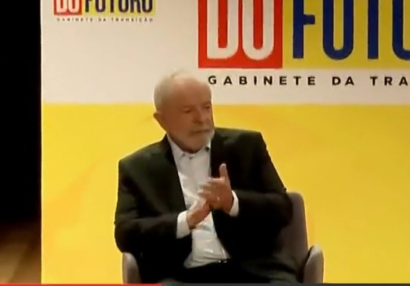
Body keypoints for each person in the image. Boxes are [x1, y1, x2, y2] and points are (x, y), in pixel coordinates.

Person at [113, 71, 297, 283]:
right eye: (188, 111)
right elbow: (126, 234)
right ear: (162, 120)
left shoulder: (247, 146)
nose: (202, 118)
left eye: (206, 107)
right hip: (180, 277)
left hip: (255, 271)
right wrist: (186, 220)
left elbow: (283, 209)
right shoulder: (138, 168)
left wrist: (233, 202)